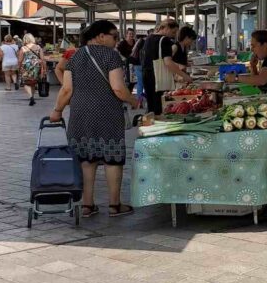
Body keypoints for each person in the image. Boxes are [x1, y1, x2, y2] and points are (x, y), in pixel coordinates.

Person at [50, 20, 138, 218]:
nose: (116, 41)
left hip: (80, 115)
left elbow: (66, 89)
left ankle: (88, 205)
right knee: (112, 160)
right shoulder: (112, 56)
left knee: (86, 160)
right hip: (108, 114)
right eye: (114, 36)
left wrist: (57, 110)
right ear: (100, 36)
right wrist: (134, 101)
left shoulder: (75, 56)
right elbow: (117, 88)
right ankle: (115, 205)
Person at [140, 24, 165, 115]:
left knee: (151, 100)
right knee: (156, 100)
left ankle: (151, 117)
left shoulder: (148, 40)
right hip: (154, 73)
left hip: (146, 72)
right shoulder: (161, 40)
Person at [17, 33, 46, 106]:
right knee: (33, 82)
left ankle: (31, 97)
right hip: (36, 66)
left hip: (27, 66)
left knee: (26, 83)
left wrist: (19, 67)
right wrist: (44, 69)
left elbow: (20, 60)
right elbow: (42, 59)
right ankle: (32, 97)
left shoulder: (23, 48)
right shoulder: (38, 47)